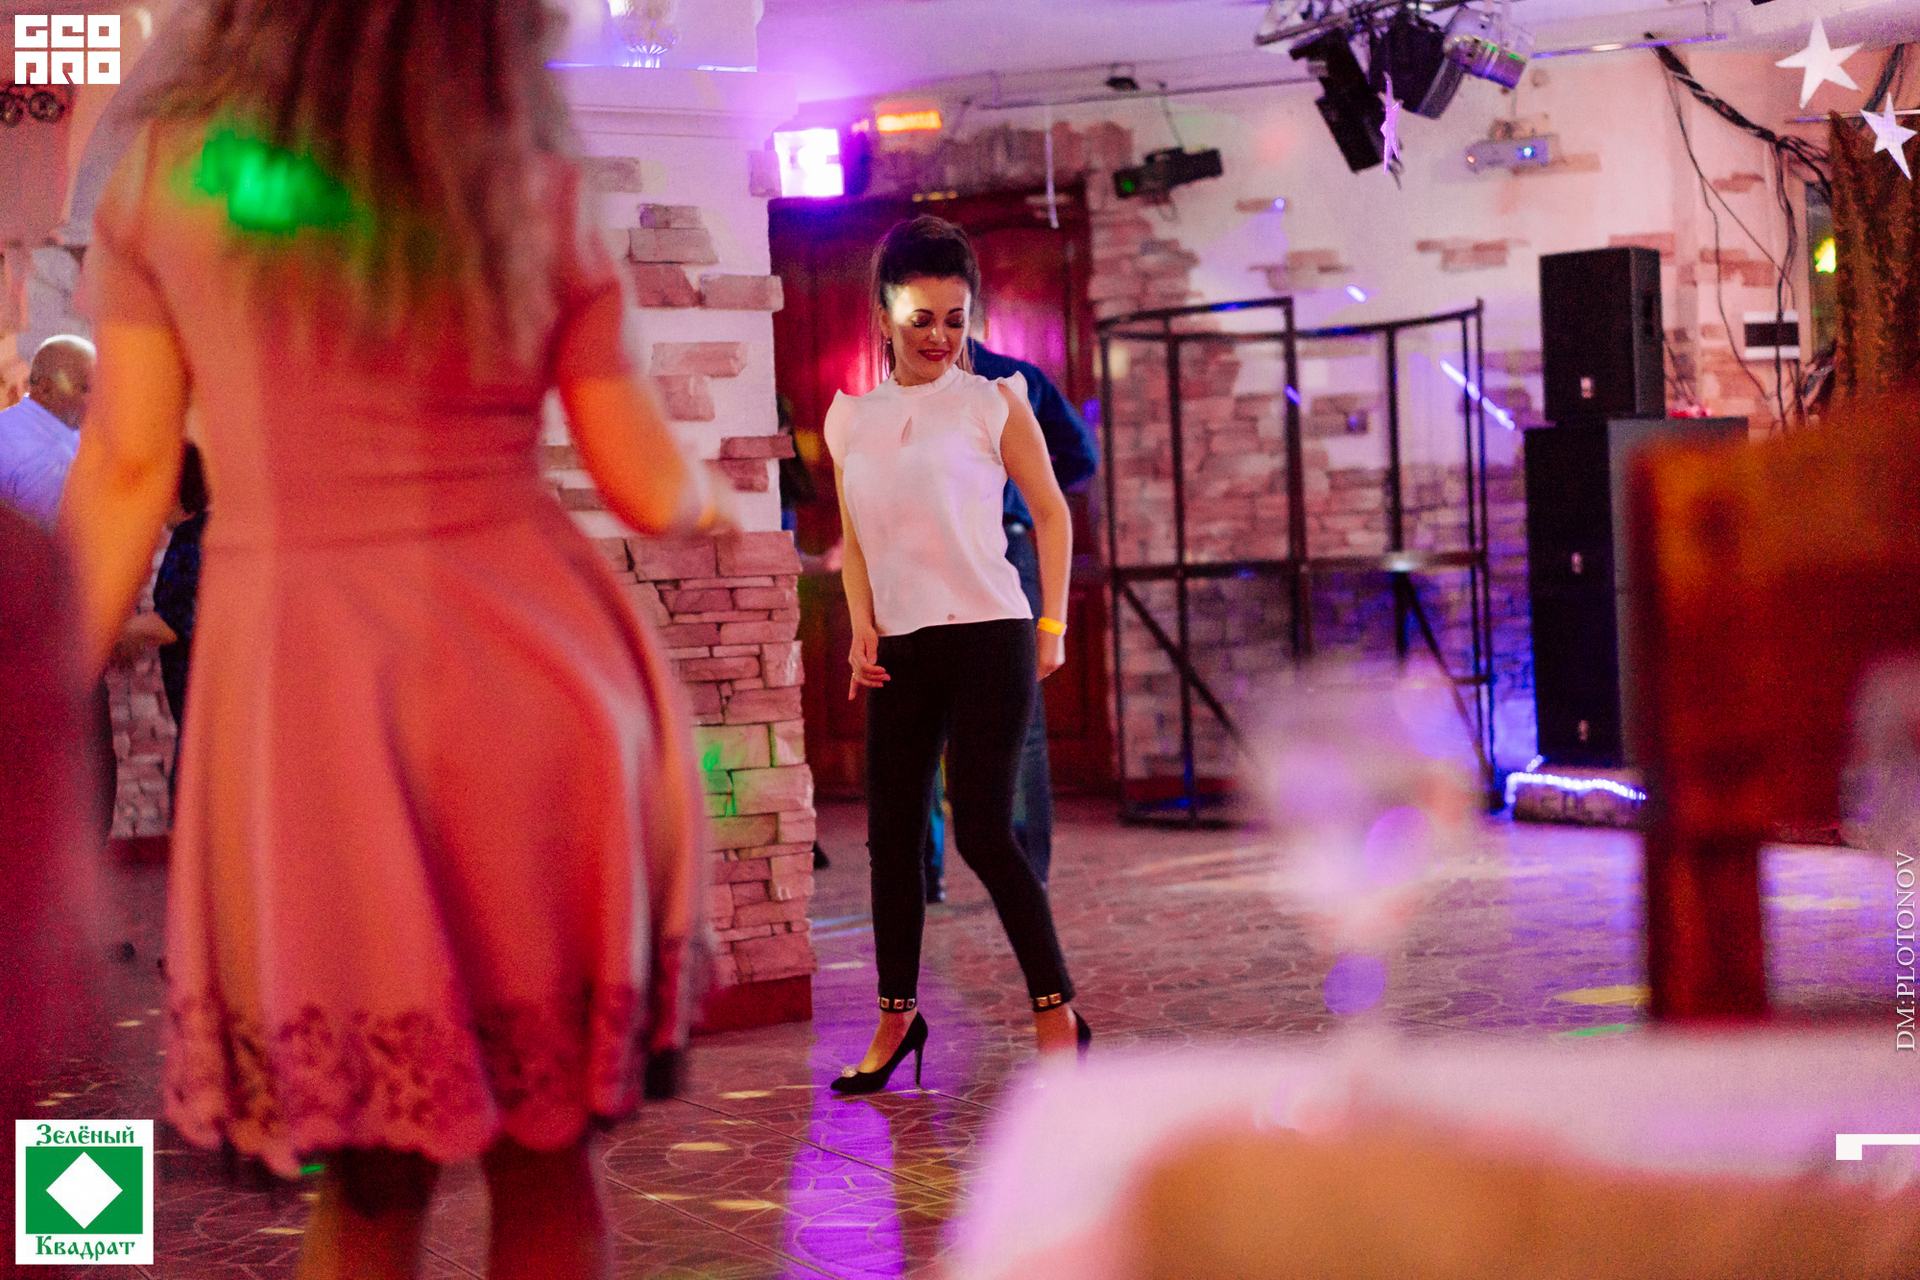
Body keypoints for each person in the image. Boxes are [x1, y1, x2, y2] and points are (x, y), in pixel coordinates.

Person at [59, 3, 726, 1276]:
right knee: (549, 1164)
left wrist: (34, 690)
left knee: (365, 1192)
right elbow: (645, 484)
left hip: (310, 699)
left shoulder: (173, 181)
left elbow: (129, 468)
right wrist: (717, 498)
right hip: (541, 687)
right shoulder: (528, 180)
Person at [824, 215, 1089, 1094]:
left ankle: (1056, 1012)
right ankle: (897, 1019)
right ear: (883, 316)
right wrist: (861, 627)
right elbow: (856, 542)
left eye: (954, 318)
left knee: (980, 829)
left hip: (988, 635)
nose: (939, 336)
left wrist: (1052, 626)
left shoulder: (994, 401)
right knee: (891, 839)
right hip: (900, 648)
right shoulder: (850, 420)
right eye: (920, 320)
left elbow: (1051, 512)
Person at [922, 333, 1099, 898]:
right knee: (1018, 717)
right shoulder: (1017, 376)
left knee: (922, 711)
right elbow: (1082, 457)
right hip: (1005, 540)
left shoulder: (908, 382)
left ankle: (926, 873)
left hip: (932, 547)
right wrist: (1025, 483)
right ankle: (1026, 872)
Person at [0, 334, 120, 842]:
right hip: (30, 638)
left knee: (91, 768)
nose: (96, 398)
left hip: (73, 632)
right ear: (42, 386)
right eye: (85, 386)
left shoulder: (85, 443)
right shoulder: (13, 442)